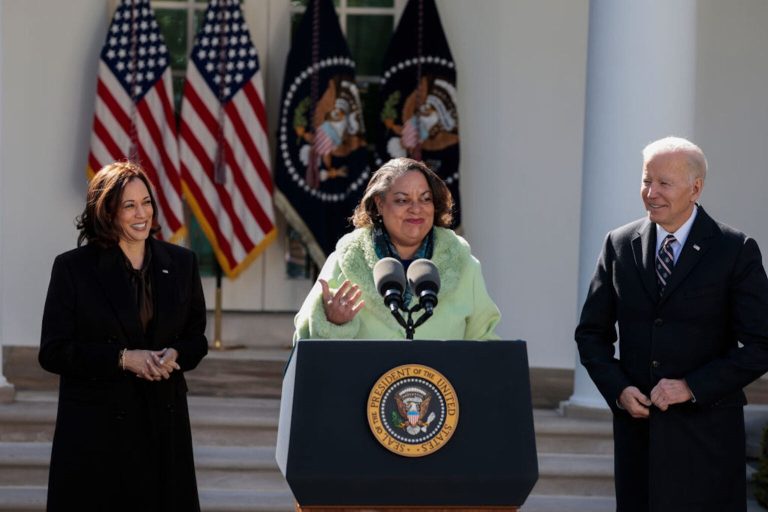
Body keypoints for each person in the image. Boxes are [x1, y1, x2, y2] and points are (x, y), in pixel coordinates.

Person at [575, 136, 768, 511]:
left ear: (695, 188)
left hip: (707, 442)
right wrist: (619, 390)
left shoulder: (735, 250)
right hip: (638, 442)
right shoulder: (619, 244)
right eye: (647, 180)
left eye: (664, 183)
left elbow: (762, 345)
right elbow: (591, 334)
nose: (651, 192)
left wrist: (691, 387)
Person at [39, 162, 208, 511]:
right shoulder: (73, 268)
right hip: (97, 432)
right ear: (107, 212)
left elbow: (196, 338)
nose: (141, 213)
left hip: (163, 425)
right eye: (129, 205)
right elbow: (53, 351)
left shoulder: (181, 263)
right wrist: (122, 358)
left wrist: (175, 353)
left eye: (146, 202)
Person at [294, 157, 500, 341]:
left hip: (442, 384)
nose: (416, 208)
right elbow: (304, 343)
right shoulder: (345, 261)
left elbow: (485, 345)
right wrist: (332, 323)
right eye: (402, 200)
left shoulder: (463, 264)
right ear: (380, 203)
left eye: (425, 198)